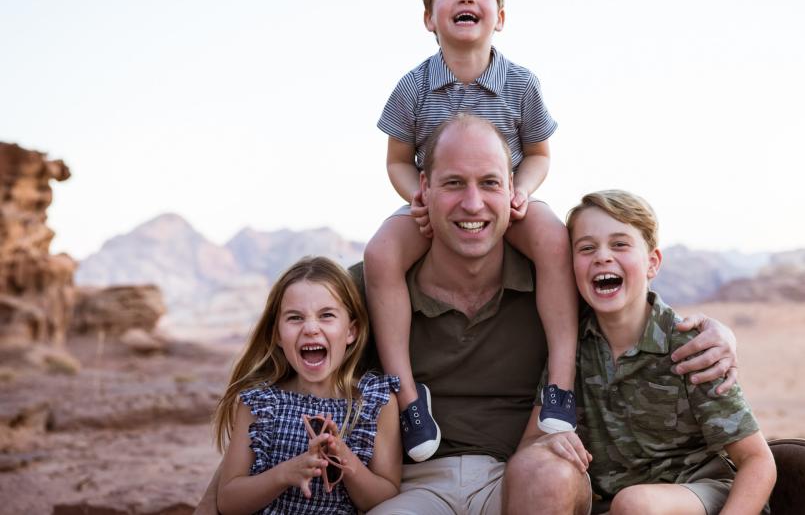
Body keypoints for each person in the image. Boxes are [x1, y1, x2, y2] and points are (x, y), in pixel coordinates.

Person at [194, 116, 739, 515]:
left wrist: (721, 333)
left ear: (514, 195)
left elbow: (630, 306)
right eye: (453, 183)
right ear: (423, 191)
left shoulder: (555, 285)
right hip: (413, 485)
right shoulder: (371, 292)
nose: (472, 204)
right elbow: (282, 385)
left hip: (522, 477)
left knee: (550, 471)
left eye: (489, 184)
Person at [363, 0, 580, 462]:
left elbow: (539, 153)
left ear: (499, 17)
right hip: (437, 204)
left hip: (505, 200)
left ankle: (562, 384)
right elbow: (396, 159)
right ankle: (409, 398)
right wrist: (414, 193)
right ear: (429, 17)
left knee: (553, 238)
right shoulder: (414, 86)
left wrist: (521, 189)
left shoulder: (520, 84)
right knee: (380, 254)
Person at [563, 190, 776, 515]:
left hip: (701, 496)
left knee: (636, 503)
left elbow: (758, 461)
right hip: (613, 506)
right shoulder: (570, 345)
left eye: (620, 244)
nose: (602, 256)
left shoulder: (693, 347)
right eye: (587, 247)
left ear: (652, 263)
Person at [212, 257, 402, 515]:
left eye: (326, 316)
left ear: (351, 331)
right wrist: (284, 474)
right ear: (277, 334)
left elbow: (384, 497)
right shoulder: (260, 402)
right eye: (295, 318)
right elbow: (229, 502)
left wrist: (343, 458)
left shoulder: (375, 402)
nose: (311, 328)